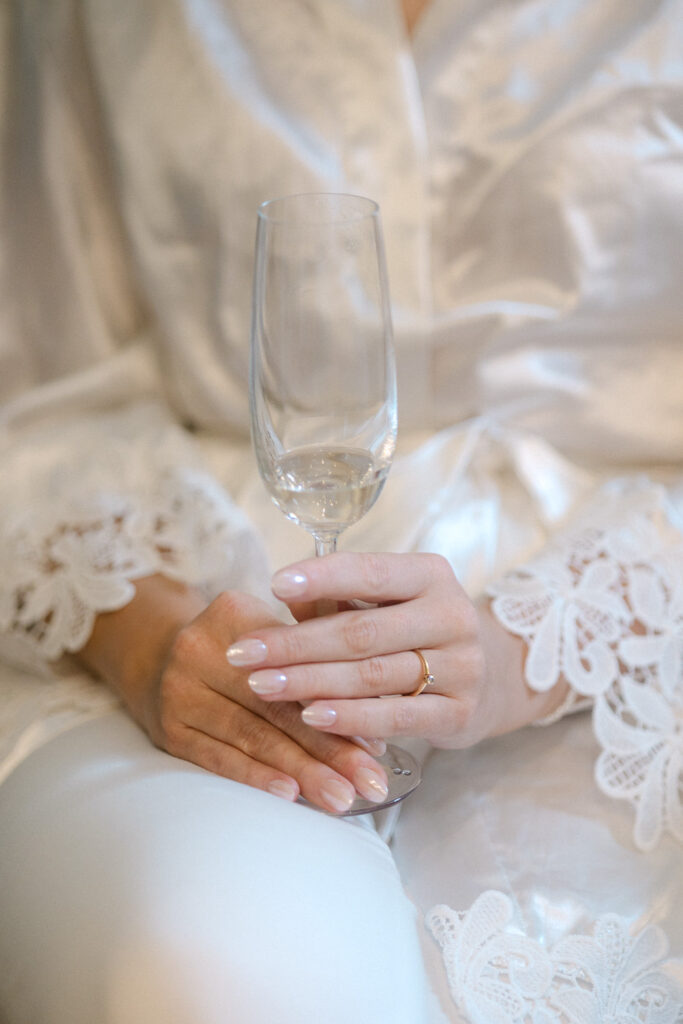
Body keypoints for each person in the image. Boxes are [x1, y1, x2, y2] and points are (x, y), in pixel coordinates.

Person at [1, 0, 682, 1021]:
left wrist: (519, 651)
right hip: (205, 617)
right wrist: (147, 650)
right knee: (203, 965)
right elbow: (40, 389)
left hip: (618, 648)